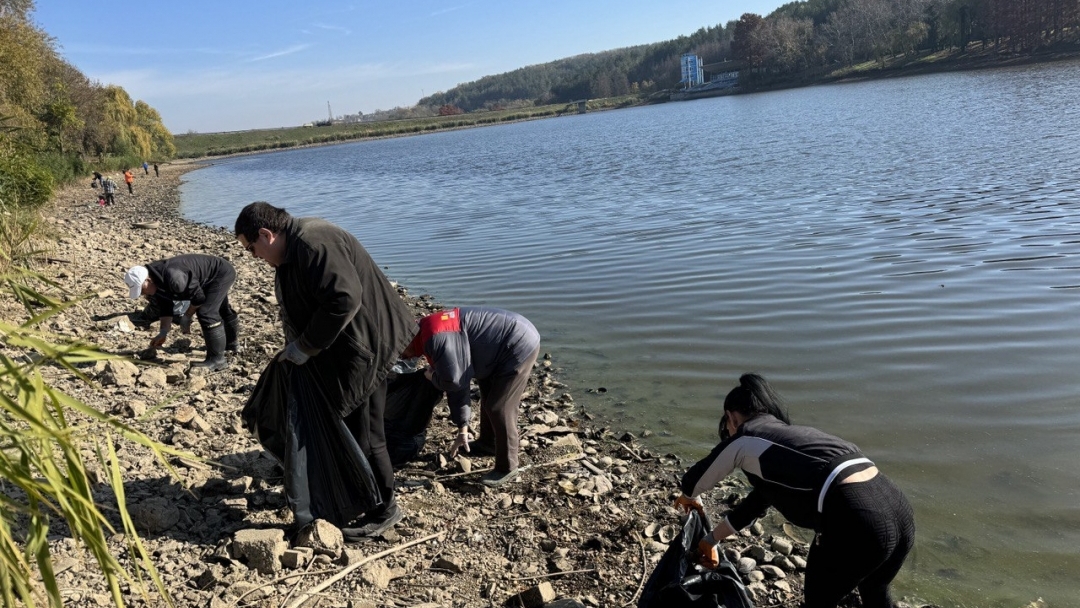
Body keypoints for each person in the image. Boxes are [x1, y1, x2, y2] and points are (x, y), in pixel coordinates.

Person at [234, 201, 416, 538]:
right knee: (351, 426)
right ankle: (357, 494)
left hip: (368, 347)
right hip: (348, 347)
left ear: (265, 234)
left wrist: (305, 347)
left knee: (367, 434)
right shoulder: (291, 250)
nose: (254, 257)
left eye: (251, 249)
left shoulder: (313, 243)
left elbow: (344, 299)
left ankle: (385, 510)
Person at [675, 373, 915, 608]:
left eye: (726, 424)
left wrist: (689, 497)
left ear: (731, 417)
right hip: (899, 510)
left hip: (857, 516)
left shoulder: (746, 438)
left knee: (818, 601)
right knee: (875, 590)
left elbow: (693, 481)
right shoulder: (786, 440)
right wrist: (711, 540)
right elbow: (756, 504)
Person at [402, 307, 540, 487]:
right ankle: (488, 444)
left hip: (517, 344)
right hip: (494, 349)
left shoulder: (435, 338)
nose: (404, 357)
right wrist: (462, 428)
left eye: (402, 352)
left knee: (499, 407)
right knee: (488, 395)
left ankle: (507, 467)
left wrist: (433, 377)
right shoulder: (426, 330)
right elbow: (459, 377)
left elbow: (455, 382)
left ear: (407, 339)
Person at [123, 254, 240, 370]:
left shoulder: (174, 278)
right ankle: (230, 345)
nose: (142, 294)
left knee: (206, 312)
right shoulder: (156, 279)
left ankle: (217, 360)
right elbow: (165, 306)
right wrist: (163, 332)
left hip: (220, 273)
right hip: (206, 277)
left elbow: (198, 298)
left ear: (148, 280)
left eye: (142, 290)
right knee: (220, 308)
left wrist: (187, 317)